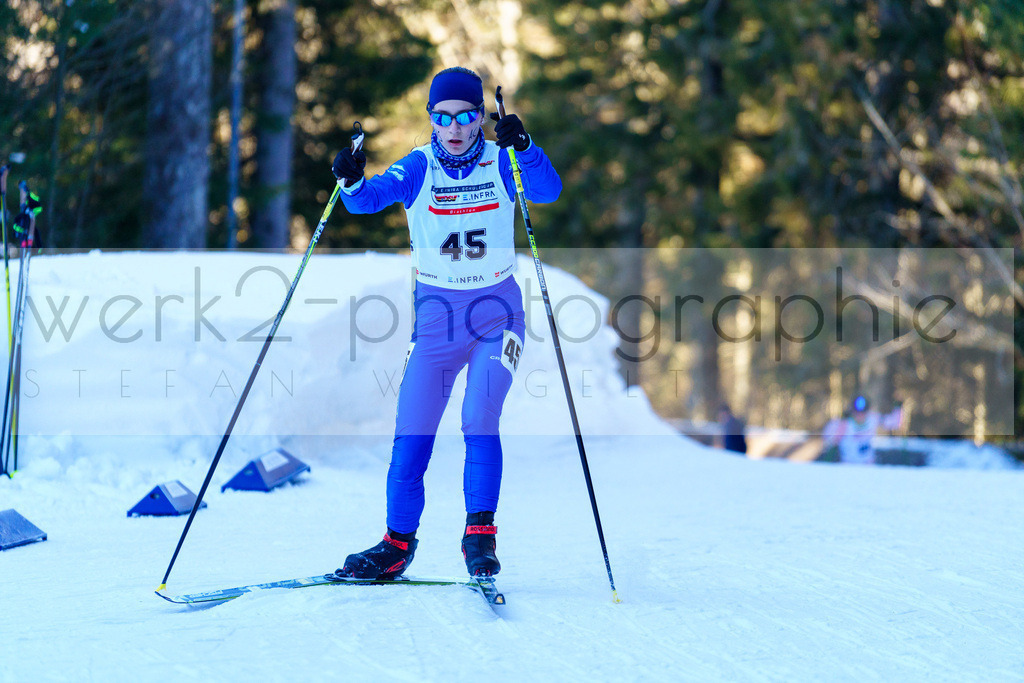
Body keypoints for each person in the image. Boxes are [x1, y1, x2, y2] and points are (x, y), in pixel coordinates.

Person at [330, 67, 561, 580]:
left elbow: (547, 191)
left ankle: (479, 537)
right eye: (442, 117)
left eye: (464, 116)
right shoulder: (418, 167)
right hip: (435, 327)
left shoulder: (503, 162)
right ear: (431, 121)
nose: (454, 127)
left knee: (479, 420)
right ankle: (396, 545)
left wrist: (524, 145)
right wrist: (348, 179)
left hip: (496, 321)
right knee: (411, 436)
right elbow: (368, 199)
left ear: (480, 118)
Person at [825, 395, 902, 465]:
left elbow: (893, 423)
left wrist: (898, 408)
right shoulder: (843, 424)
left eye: (863, 412)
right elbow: (828, 439)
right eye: (857, 412)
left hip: (868, 466)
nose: (860, 415)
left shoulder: (873, 419)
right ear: (852, 411)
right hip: (847, 466)